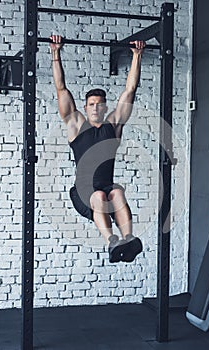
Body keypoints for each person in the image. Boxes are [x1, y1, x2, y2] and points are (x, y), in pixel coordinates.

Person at [50, 35, 145, 263]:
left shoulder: (113, 126)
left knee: (117, 192)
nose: (95, 108)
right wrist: (55, 53)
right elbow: (61, 88)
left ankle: (128, 239)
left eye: (99, 104)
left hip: (106, 188)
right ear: (85, 107)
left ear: (105, 107)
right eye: (91, 104)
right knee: (100, 196)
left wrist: (136, 55)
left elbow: (130, 90)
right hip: (83, 194)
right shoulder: (76, 126)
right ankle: (111, 241)